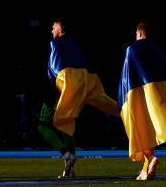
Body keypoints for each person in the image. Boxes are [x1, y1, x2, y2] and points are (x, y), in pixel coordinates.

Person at [45, 19, 119, 178]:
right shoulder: (73, 45)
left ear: (60, 29)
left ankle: (67, 155)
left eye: (53, 28)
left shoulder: (55, 43)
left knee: (48, 123)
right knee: (112, 107)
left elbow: (53, 70)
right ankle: (69, 169)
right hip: (90, 78)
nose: (51, 30)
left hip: (69, 79)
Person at [118, 23, 166, 180]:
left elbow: (127, 77)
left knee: (141, 129)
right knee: (149, 129)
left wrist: (123, 99)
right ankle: (146, 168)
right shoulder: (158, 50)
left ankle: (150, 159)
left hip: (139, 95)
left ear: (140, 34)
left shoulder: (132, 49)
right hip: (159, 97)